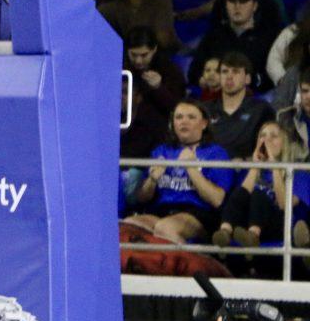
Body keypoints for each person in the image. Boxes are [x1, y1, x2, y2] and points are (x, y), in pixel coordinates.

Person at [128, 100, 233, 244]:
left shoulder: (216, 153)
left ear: (204, 124)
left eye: (191, 117)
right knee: (128, 226)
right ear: (173, 124)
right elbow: (142, 198)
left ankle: (189, 266)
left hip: (197, 214)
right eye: (179, 117)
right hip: (161, 211)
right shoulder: (161, 151)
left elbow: (217, 200)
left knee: (165, 228)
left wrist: (191, 169)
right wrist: (152, 180)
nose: (184, 121)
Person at [213, 121, 310, 249]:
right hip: (244, 224)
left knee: (259, 194)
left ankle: (253, 235)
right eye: (262, 136)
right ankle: (225, 232)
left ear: (284, 144)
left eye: (274, 136)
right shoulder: (247, 170)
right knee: (240, 193)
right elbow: (240, 198)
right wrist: (255, 166)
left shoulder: (297, 173)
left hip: (279, 225)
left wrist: (274, 166)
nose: (266, 140)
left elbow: (284, 204)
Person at [189, 0, 281, 92]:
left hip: (253, 99)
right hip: (214, 98)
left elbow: (271, 76)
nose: (237, 6)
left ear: (254, 6)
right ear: (226, 5)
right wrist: (206, 80)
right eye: (232, 1)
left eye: (243, 1)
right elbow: (194, 72)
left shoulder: (268, 37)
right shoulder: (214, 35)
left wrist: (247, 83)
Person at [207, 51, 276, 158]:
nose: (229, 76)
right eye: (224, 72)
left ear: (247, 79)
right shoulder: (206, 109)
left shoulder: (261, 110)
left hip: (248, 169)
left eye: (235, 71)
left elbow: (268, 148)